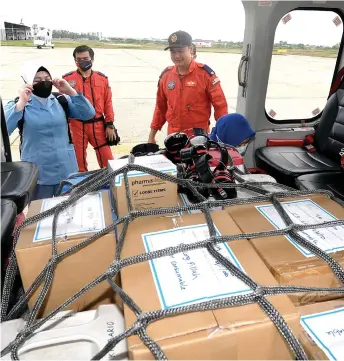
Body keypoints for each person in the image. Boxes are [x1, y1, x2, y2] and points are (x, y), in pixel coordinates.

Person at [4, 63, 95, 200]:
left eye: (47, 78)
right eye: (37, 80)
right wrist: (21, 103)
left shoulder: (61, 100)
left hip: (66, 170)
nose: (44, 82)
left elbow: (88, 113)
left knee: (68, 213)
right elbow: (4, 130)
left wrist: (70, 91)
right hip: (39, 173)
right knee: (41, 214)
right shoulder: (20, 104)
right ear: (28, 83)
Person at [148, 30, 228, 144]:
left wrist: (222, 135)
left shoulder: (205, 74)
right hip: (173, 138)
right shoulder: (166, 76)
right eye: (172, 51)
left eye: (180, 51)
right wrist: (152, 136)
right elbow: (160, 108)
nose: (177, 56)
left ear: (190, 49)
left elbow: (221, 106)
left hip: (198, 139)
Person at [62, 45, 119, 172]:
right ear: (75, 61)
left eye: (85, 58)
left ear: (92, 59)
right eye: (79, 59)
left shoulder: (102, 79)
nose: (82, 61)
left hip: (98, 124)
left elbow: (108, 103)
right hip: (76, 126)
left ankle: (113, 185)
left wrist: (110, 125)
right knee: (78, 164)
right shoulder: (67, 79)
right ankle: (81, 188)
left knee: (108, 162)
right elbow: (62, 105)